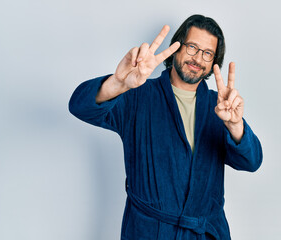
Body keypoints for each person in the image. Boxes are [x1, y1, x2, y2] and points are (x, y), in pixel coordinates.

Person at [69, 14, 262, 240]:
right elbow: (80, 106)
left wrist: (235, 124)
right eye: (192, 47)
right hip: (150, 233)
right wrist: (118, 83)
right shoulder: (137, 96)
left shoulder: (219, 107)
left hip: (206, 233)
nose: (198, 58)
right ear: (177, 47)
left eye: (207, 53)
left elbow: (251, 162)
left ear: (213, 62)